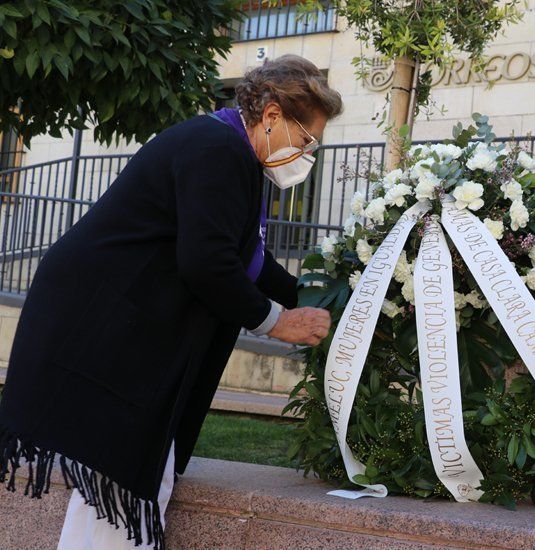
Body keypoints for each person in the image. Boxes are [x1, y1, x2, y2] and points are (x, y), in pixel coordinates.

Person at [0, 54, 340, 549]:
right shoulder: (219, 150)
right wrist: (277, 322)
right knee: (126, 473)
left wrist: (317, 295)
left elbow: (248, 261)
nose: (307, 153)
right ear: (271, 116)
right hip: (107, 327)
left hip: (122, 327)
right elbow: (207, 263)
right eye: (306, 139)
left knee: (131, 475)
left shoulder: (225, 148)